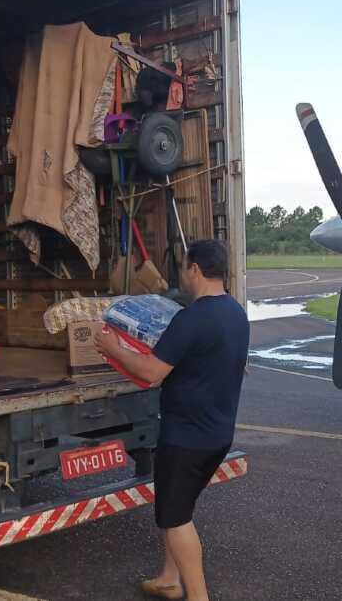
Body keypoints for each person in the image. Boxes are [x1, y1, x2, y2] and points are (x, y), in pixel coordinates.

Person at [94, 240, 248, 601]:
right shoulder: (235, 313)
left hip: (187, 437)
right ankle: (168, 577)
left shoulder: (192, 317)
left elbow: (151, 373)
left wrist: (112, 348)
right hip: (218, 432)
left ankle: (197, 596)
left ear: (195, 269)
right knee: (178, 506)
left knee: (175, 518)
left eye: (183, 266)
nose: (182, 273)